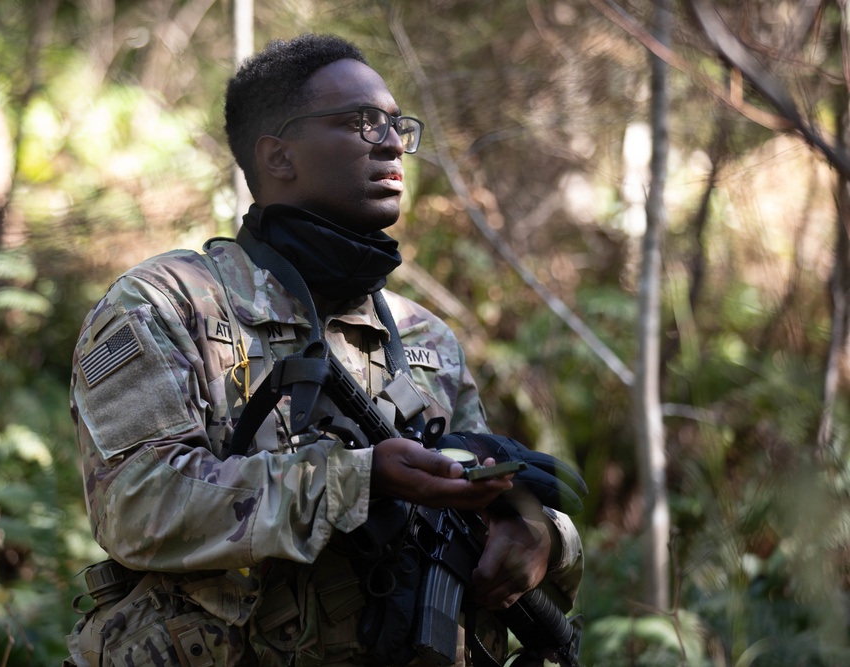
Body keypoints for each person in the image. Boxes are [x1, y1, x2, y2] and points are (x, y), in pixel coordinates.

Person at [63, 33, 584, 667]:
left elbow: (478, 497)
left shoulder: (423, 339)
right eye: (363, 123)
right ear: (278, 156)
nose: (392, 142)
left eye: (396, 124)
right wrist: (356, 482)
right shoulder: (168, 304)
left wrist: (537, 535)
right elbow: (136, 505)